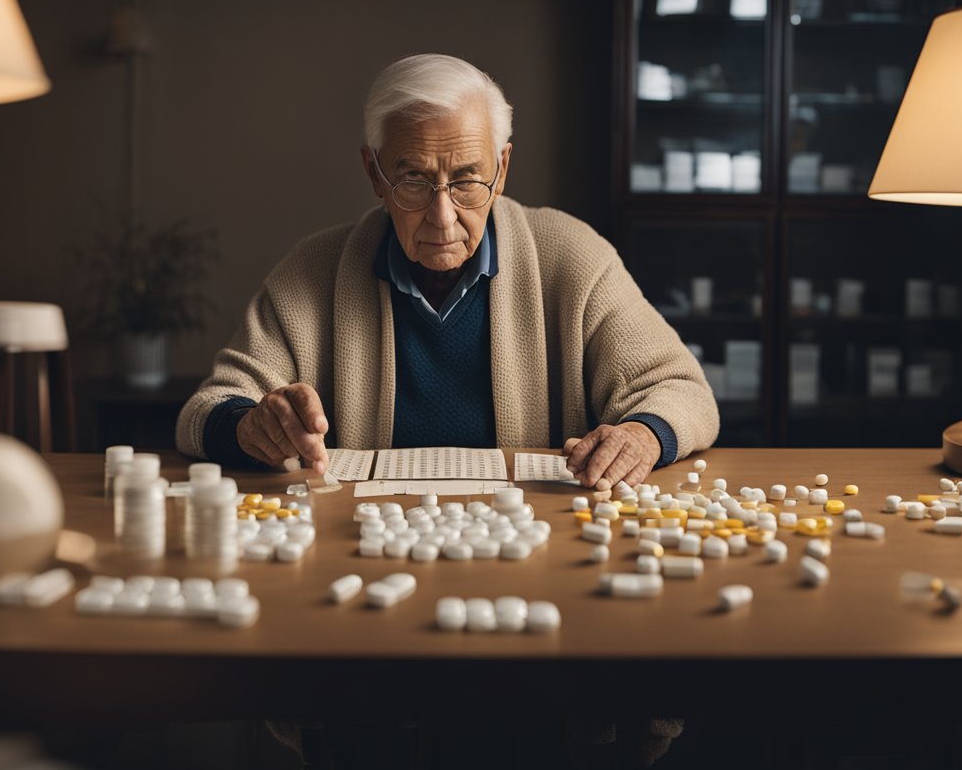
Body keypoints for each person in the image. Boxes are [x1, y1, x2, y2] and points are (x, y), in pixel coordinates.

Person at [176, 53, 718, 487]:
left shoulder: (572, 256)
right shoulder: (311, 270)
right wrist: (250, 427)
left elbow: (682, 390)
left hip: (534, 538)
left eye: (465, 179)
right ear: (374, 172)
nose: (442, 215)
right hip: (361, 540)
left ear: (502, 169)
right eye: (412, 180)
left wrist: (642, 435)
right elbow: (205, 409)